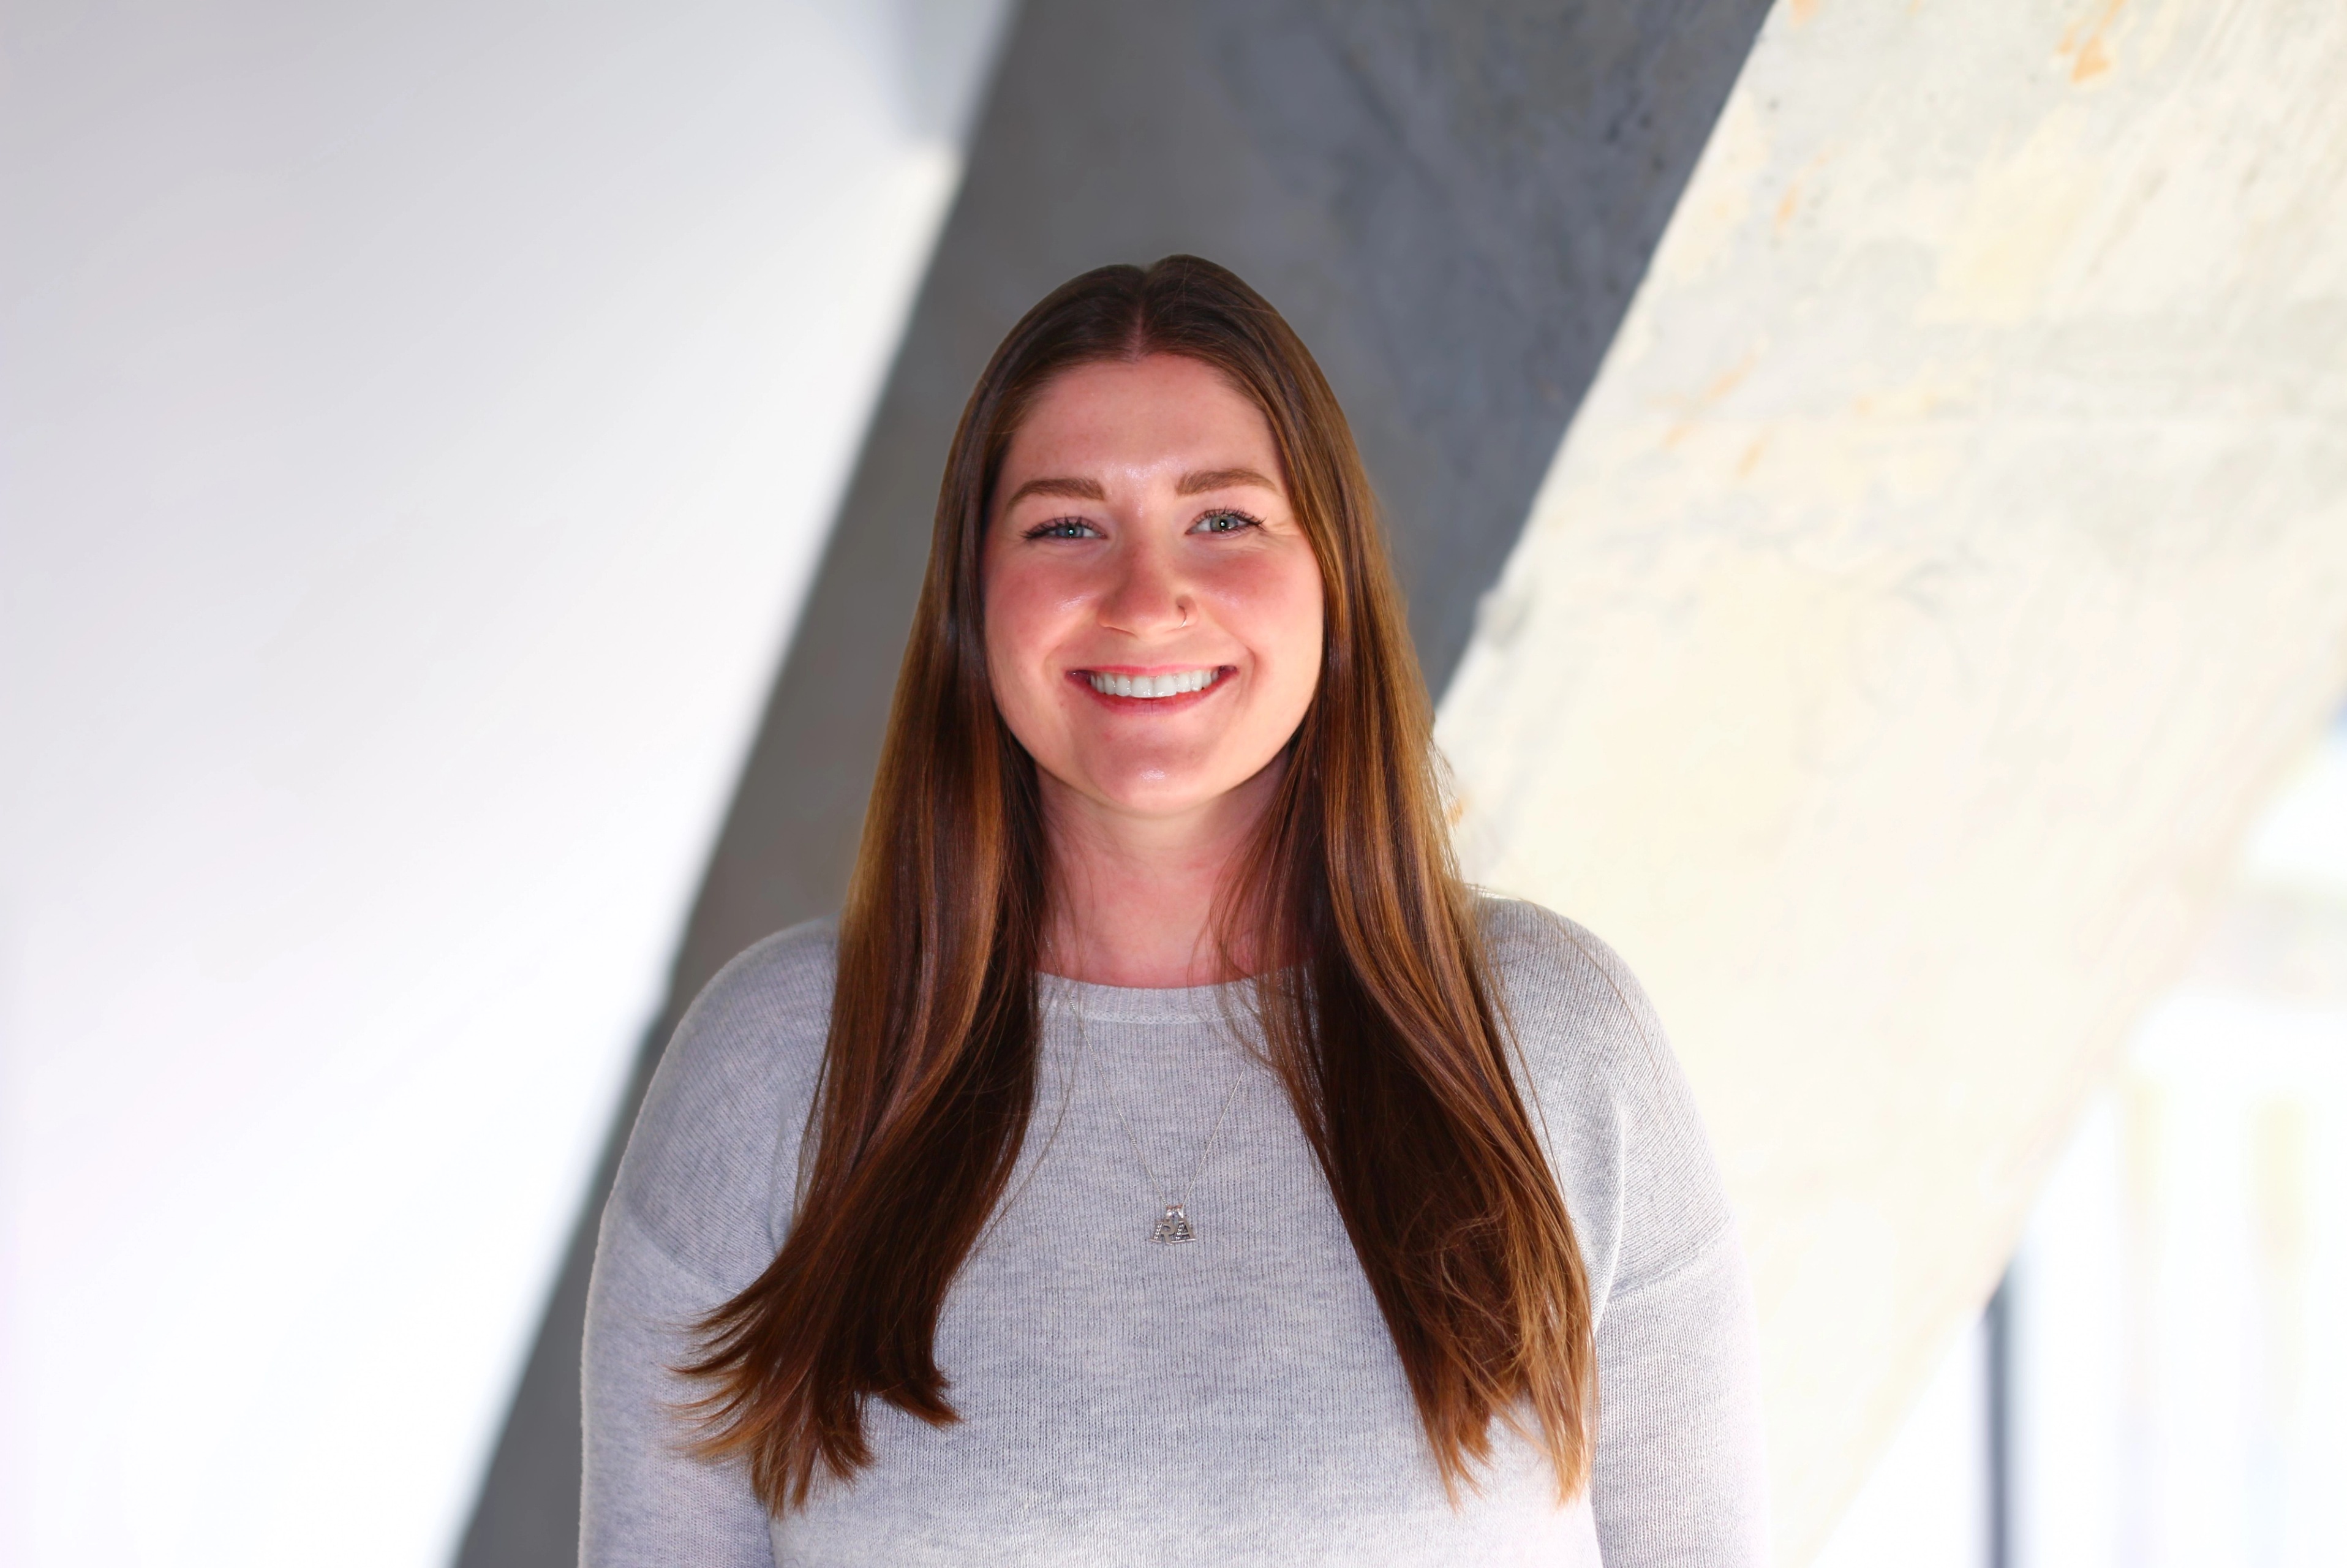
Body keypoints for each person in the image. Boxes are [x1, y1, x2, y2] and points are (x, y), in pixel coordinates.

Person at [580, 255, 1767, 1566]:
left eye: (1225, 521)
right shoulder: (778, 1065)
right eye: (1066, 526)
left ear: (1336, 583)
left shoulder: (1551, 1040)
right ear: (973, 605)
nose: (1148, 602)